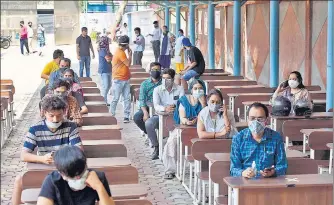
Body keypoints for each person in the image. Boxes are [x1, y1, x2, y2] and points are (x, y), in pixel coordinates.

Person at [11, 95, 83, 205]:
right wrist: (41, 159)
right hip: (44, 168)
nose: (55, 119)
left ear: (64, 112)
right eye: (51, 116)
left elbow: (79, 150)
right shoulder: (35, 129)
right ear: (44, 113)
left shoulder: (70, 126)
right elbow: (24, 155)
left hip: (65, 170)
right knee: (19, 180)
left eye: (59, 115)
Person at [36, 146, 115, 205]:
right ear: (61, 174)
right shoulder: (52, 180)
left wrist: (99, 187)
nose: (78, 177)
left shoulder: (96, 177)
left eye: (81, 173)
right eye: (73, 177)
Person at [162, 79, 207, 179]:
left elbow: (206, 117)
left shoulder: (208, 100)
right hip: (184, 128)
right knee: (171, 142)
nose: (198, 91)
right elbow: (182, 118)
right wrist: (187, 122)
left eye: (200, 89)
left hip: (201, 129)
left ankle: (202, 169)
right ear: (191, 90)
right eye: (195, 88)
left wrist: (203, 104)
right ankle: (170, 170)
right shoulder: (184, 100)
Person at [230, 102, 288, 178]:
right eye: (252, 118)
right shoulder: (238, 139)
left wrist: (273, 172)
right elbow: (233, 169)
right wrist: (243, 173)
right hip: (245, 183)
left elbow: (282, 166)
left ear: (266, 120)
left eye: (260, 118)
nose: (256, 122)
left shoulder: (276, 138)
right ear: (248, 120)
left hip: (269, 183)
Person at [148, 68, 185, 160]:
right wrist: (165, 108)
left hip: (177, 116)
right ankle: (156, 147)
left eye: (168, 78)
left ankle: (178, 151)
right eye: (163, 78)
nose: (165, 81)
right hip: (161, 116)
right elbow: (156, 105)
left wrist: (175, 108)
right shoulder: (157, 89)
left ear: (172, 79)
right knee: (149, 123)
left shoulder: (180, 89)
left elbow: (183, 103)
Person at [133, 62, 162, 136]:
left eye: (157, 69)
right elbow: (142, 99)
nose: (155, 71)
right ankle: (150, 134)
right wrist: (145, 112)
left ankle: (162, 134)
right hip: (148, 107)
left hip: (161, 106)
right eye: (153, 69)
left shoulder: (164, 82)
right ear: (150, 71)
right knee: (137, 117)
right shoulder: (145, 84)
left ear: (160, 71)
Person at [109, 35, 132, 123]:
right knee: (116, 98)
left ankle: (125, 116)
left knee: (126, 98)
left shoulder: (120, 50)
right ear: (126, 45)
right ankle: (112, 115)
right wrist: (130, 55)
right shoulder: (121, 53)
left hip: (124, 78)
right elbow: (128, 64)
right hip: (119, 79)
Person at [97, 35, 112, 105]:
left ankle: (105, 100)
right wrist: (113, 57)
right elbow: (108, 59)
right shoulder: (102, 50)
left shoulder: (106, 50)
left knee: (109, 85)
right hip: (103, 71)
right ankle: (103, 101)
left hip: (108, 70)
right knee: (105, 86)